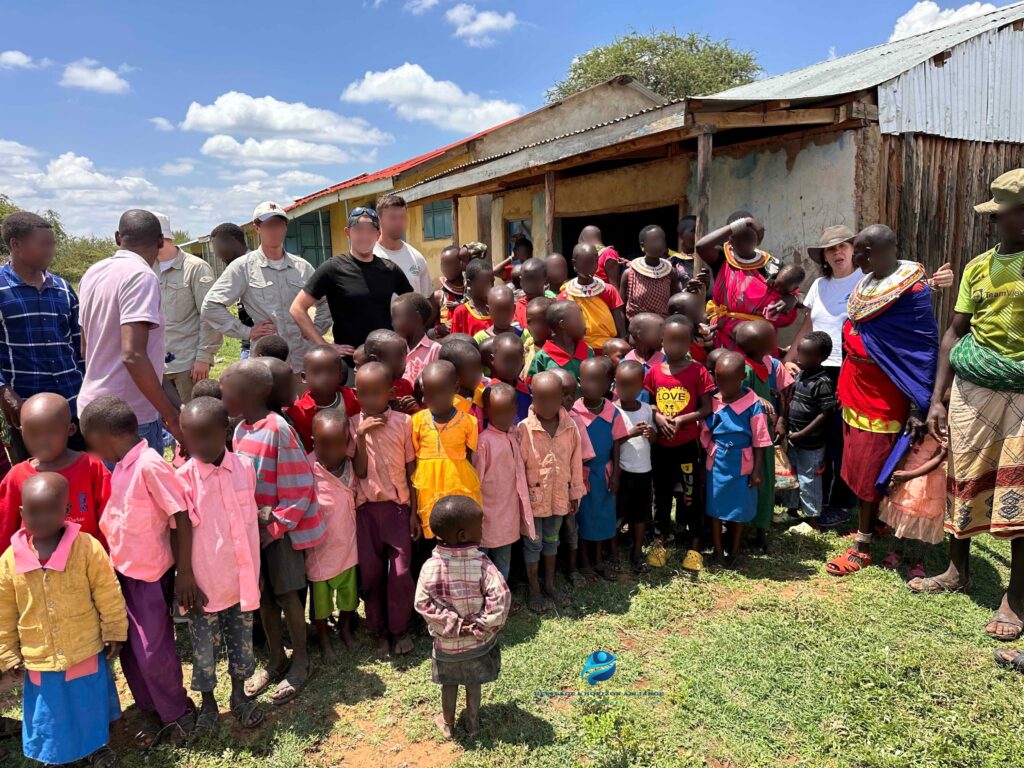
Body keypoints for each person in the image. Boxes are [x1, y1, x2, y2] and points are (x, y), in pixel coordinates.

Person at [910, 169, 1024, 643]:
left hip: (1022, 392)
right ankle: (958, 570)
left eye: (1004, 214)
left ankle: (1015, 598)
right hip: (971, 390)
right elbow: (955, 333)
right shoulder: (978, 267)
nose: (996, 223)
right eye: (994, 215)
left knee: (1018, 491)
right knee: (963, 479)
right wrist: (936, 399)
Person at [784, 226, 954, 528]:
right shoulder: (835, 285)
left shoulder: (897, 287)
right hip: (838, 376)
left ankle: (853, 512)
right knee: (839, 446)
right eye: (830, 249)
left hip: (880, 385)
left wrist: (917, 403)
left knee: (862, 450)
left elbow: (917, 341)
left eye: (847, 248)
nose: (840, 254)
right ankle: (832, 504)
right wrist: (790, 358)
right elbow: (808, 323)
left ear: (866, 252)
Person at [81, 395, 198, 746]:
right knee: (129, 648)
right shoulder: (123, 466)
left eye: (93, 444)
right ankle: (151, 706)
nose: (94, 452)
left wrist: (185, 572)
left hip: (149, 578)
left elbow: (181, 515)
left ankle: (178, 713)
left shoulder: (149, 464)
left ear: (105, 436)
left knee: (153, 651)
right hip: (123, 574)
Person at [826, 225, 938, 577]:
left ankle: (862, 546)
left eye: (859, 252)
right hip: (855, 386)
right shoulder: (867, 283)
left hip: (884, 396)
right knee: (859, 463)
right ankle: (872, 525)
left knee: (875, 466)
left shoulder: (912, 292)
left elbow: (922, 350)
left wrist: (921, 404)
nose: (854, 259)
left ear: (877, 252)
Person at [0, 473, 126, 768]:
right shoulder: (9, 561)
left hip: (83, 646)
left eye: (50, 511)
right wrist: (7, 651)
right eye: (33, 512)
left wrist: (115, 629)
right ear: (21, 513)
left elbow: (107, 591)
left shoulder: (87, 548)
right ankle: (55, 755)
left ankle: (95, 747)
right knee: (50, 710)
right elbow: (4, 611)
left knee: (88, 701)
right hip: (39, 654)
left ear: (66, 511)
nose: (41, 519)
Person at [221, 360, 323, 704]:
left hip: (279, 532)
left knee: (287, 596)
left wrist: (277, 526)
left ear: (257, 392)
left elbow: (300, 485)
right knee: (262, 596)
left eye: (230, 389)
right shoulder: (239, 431)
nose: (224, 395)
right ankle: (276, 658)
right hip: (254, 531)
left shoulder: (278, 428)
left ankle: (303, 661)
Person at [175, 397, 264, 733]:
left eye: (205, 437)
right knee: (203, 649)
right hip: (203, 585)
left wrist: (254, 575)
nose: (197, 445)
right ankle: (208, 702)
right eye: (190, 438)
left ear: (225, 432)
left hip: (240, 580)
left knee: (242, 642)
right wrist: (184, 577)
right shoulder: (182, 480)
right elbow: (177, 534)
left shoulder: (244, 467)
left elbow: (249, 523)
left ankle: (239, 696)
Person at [78, 210, 184, 450]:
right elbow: (133, 355)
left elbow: (87, 347)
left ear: (118, 238)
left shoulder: (93, 273)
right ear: (159, 241)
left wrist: (175, 404)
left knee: (110, 487)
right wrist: (171, 416)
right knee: (136, 488)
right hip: (128, 417)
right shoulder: (141, 277)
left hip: (93, 408)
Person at [414, 495, 511, 739]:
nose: (482, 529)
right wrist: (479, 625)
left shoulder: (430, 567)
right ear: (462, 535)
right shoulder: (482, 565)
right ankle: (472, 724)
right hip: (477, 644)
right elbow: (501, 598)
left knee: (449, 684)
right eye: (479, 526)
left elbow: (422, 603)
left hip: (446, 646)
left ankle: (447, 723)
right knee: (473, 683)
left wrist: (453, 624)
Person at [204, 202, 329, 375]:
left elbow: (326, 302)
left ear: (285, 227)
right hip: (267, 365)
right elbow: (211, 306)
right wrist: (246, 331)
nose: (275, 231)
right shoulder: (243, 267)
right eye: (269, 225)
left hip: (302, 361)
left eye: (279, 225)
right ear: (257, 228)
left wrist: (314, 331)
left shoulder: (302, 267)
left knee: (305, 402)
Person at [0, 212, 86, 460]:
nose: (51, 251)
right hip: (27, 410)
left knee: (80, 474)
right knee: (36, 484)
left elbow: (78, 343)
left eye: (53, 244)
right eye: (44, 244)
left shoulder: (62, 288)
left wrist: (87, 386)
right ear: (16, 244)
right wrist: (4, 390)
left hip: (72, 403)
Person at [351, 361, 418, 657]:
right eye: (363, 394)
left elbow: (411, 469)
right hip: (366, 512)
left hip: (397, 510)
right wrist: (361, 435)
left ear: (390, 393)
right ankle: (378, 630)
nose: (369, 401)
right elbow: (361, 472)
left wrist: (415, 512)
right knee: (371, 574)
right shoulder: (352, 424)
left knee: (401, 573)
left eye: (376, 394)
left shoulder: (404, 423)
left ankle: (399, 628)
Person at [644, 315, 713, 571]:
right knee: (660, 495)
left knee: (690, 495)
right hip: (661, 447)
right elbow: (650, 402)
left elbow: (706, 407)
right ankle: (660, 541)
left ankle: (695, 546)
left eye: (682, 341)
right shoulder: (653, 372)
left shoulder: (698, 371)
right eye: (670, 340)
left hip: (686, 446)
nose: (675, 346)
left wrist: (682, 420)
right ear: (662, 340)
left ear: (689, 343)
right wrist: (658, 416)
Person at [0, 393, 110, 553]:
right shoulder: (16, 477)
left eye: (51, 432)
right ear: (22, 432)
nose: (42, 440)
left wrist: (101, 555)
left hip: (87, 561)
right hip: (36, 567)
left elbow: (109, 516)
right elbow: (5, 528)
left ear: (71, 430)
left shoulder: (91, 466)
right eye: (33, 433)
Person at [519, 371, 585, 612]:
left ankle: (549, 584)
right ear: (532, 397)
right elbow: (519, 469)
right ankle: (534, 588)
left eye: (552, 399)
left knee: (552, 541)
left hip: (560, 498)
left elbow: (575, 462)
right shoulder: (524, 429)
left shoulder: (570, 427)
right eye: (540, 399)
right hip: (535, 501)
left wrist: (575, 492)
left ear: (562, 398)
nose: (546, 405)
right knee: (533, 544)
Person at [701, 352, 772, 567]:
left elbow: (760, 440)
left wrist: (757, 470)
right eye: (720, 380)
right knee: (714, 506)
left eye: (730, 381)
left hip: (743, 463)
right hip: (717, 462)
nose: (724, 387)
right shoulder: (713, 400)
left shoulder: (752, 405)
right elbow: (704, 431)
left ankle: (735, 549)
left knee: (739, 507)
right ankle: (718, 550)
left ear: (742, 377)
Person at [695, 212, 799, 351]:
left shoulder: (772, 264)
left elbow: (798, 294)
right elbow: (701, 246)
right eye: (737, 236)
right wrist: (746, 222)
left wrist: (793, 298)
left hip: (759, 339)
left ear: (757, 236)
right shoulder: (722, 258)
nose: (744, 240)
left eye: (749, 234)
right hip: (725, 335)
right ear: (729, 239)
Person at [150, 211, 221, 404]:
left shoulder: (196, 268)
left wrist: (204, 357)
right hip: (156, 363)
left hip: (187, 363)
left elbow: (210, 316)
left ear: (161, 239)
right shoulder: (147, 268)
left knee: (193, 418)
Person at [307, 409, 360, 656]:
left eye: (337, 445)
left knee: (349, 597)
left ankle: (346, 628)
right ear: (313, 441)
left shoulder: (351, 467)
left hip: (348, 548)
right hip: (319, 551)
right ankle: (324, 638)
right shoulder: (308, 468)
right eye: (323, 445)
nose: (330, 451)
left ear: (347, 444)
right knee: (321, 603)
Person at [411, 361, 482, 540]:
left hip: (458, 481)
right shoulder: (416, 421)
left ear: (456, 388)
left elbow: (470, 456)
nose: (435, 398)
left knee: (457, 530)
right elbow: (411, 460)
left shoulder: (468, 422)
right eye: (429, 392)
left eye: (441, 391)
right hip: (427, 485)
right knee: (432, 531)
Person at [736, 320, 793, 541]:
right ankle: (749, 526)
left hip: (765, 436)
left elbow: (784, 393)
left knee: (766, 479)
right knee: (754, 480)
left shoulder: (768, 366)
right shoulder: (745, 370)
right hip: (750, 438)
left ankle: (761, 525)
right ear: (763, 345)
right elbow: (736, 394)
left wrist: (780, 421)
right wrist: (755, 397)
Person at [573, 357, 628, 580]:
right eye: (588, 381)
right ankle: (585, 561)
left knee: (603, 516)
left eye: (598, 382)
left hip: (604, 474)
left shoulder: (612, 412)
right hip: (582, 475)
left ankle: (599, 559)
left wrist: (616, 474)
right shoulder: (573, 412)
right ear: (580, 381)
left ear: (608, 386)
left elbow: (617, 444)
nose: (592, 386)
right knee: (584, 517)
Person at [473, 383, 534, 580]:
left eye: (508, 412)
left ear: (515, 410)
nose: (504, 418)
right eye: (497, 413)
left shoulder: (515, 434)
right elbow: (476, 480)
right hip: (486, 515)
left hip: (507, 515)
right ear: (487, 413)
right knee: (481, 562)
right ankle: (482, 600)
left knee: (502, 562)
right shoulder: (483, 442)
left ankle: (500, 598)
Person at [782, 331, 836, 528]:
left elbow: (826, 413)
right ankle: (791, 511)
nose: (800, 358)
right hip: (793, 439)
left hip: (811, 443)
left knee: (808, 479)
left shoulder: (823, 382)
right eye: (799, 352)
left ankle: (812, 519)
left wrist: (802, 433)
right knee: (792, 476)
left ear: (821, 358)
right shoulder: (800, 375)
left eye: (806, 354)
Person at [878, 432, 947, 580]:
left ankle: (918, 560)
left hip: (931, 477)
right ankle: (895, 551)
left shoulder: (947, 427)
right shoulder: (919, 419)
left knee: (926, 516)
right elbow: (904, 448)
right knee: (902, 509)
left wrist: (912, 475)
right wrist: (898, 473)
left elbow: (940, 456)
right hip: (908, 470)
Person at [614, 360, 656, 573]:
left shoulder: (647, 410)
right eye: (621, 385)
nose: (625, 390)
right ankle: (612, 551)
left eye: (630, 385)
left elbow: (654, 440)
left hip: (643, 470)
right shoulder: (612, 410)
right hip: (621, 471)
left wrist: (651, 434)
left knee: (640, 514)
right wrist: (629, 434)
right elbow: (611, 442)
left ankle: (637, 552)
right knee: (618, 512)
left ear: (641, 386)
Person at [285, 345, 359, 453]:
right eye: (316, 372)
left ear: (340, 376)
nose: (324, 377)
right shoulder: (297, 412)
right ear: (304, 377)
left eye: (330, 371)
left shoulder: (354, 398)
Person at [560, 244, 626, 353]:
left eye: (595, 261)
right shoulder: (565, 295)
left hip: (608, 347)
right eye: (585, 262)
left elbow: (619, 317)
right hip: (579, 348)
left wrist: (623, 338)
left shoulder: (608, 290)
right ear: (574, 264)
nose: (591, 265)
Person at [210, 222, 255, 358]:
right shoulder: (236, 269)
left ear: (232, 241)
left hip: (262, 345)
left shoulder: (254, 266)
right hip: (249, 343)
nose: (217, 254)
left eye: (217, 247)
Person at [374, 194, 433, 298]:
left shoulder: (417, 258)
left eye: (402, 217)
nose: (399, 223)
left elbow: (427, 298)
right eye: (393, 218)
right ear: (379, 220)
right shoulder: (369, 256)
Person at [620, 225, 682, 320]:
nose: (659, 244)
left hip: (662, 326)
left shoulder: (670, 272)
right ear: (642, 246)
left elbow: (677, 302)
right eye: (654, 240)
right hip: (638, 327)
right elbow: (621, 307)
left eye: (662, 240)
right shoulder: (629, 273)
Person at [526, 301, 593, 382]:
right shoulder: (543, 357)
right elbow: (533, 385)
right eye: (578, 319)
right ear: (563, 324)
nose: (584, 325)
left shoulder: (587, 351)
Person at [393, 292, 440, 386]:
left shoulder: (435, 349)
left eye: (397, 317)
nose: (393, 324)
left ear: (416, 317)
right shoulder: (392, 347)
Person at [440, 338, 487, 423]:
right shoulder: (449, 407)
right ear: (453, 373)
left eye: (479, 367)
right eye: (472, 370)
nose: (479, 373)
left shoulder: (481, 391)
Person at [488, 333, 531, 423]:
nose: (511, 366)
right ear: (493, 360)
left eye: (516, 360)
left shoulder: (527, 391)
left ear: (522, 360)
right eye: (506, 361)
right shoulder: (488, 392)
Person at [449, 259, 494, 337]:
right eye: (485, 283)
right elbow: (456, 342)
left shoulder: (496, 308)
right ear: (470, 283)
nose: (490, 286)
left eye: (492, 282)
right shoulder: (462, 312)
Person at [431, 245, 466, 338]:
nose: (447, 268)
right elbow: (424, 331)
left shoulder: (472, 292)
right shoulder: (438, 296)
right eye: (443, 264)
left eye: (451, 263)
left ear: (462, 264)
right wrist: (440, 329)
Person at [513, 257, 556, 329]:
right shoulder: (515, 309)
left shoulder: (553, 307)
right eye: (526, 279)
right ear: (521, 281)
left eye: (533, 279)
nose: (530, 284)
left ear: (546, 280)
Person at [522, 296, 553, 379]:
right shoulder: (527, 347)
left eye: (541, 321)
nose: (536, 327)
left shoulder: (557, 349)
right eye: (531, 322)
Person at [668, 216, 697, 283]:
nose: (697, 234)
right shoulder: (673, 263)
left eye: (700, 230)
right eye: (693, 231)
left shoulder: (709, 259)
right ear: (681, 235)